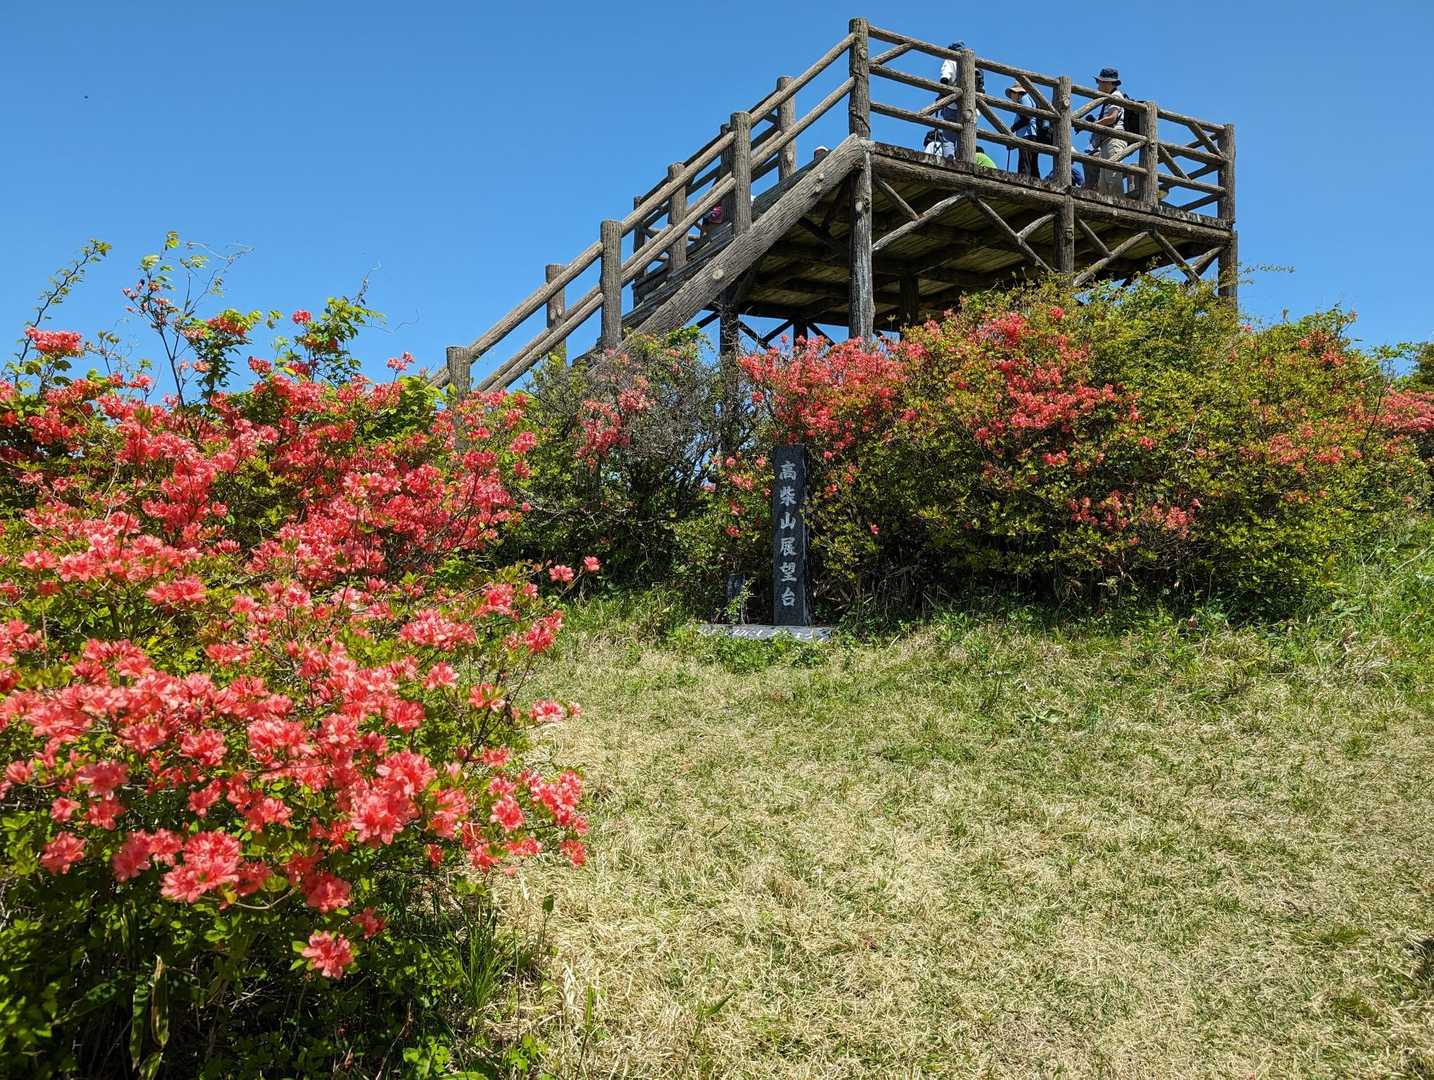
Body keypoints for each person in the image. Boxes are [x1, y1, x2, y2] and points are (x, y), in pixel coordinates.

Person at [931, 41, 983, 159]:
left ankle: (949, 160)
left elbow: (944, 78)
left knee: (948, 137)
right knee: (965, 136)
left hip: (952, 105)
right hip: (971, 109)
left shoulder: (950, 60)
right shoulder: (975, 65)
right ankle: (965, 159)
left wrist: (941, 96)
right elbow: (981, 87)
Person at [1087, 67, 1129, 196]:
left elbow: (1112, 118)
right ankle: (1108, 204)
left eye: (1099, 81)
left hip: (1114, 140)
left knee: (1113, 176)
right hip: (1107, 141)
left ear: (1108, 83)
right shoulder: (1111, 96)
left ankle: (1118, 204)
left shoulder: (1116, 96)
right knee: (1104, 181)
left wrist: (1092, 125)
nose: (1098, 84)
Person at [1005, 84, 1047, 177]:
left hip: (1028, 134)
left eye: (1011, 94)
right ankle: (1034, 181)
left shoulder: (1024, 98)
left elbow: (1027, 118)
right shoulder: (1027, 99)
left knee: (1025, 162)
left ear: (1017, 92)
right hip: (1030, 134)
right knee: (1031, 163)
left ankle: (1023, 180)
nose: (1011, 97)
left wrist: (1012, 128)